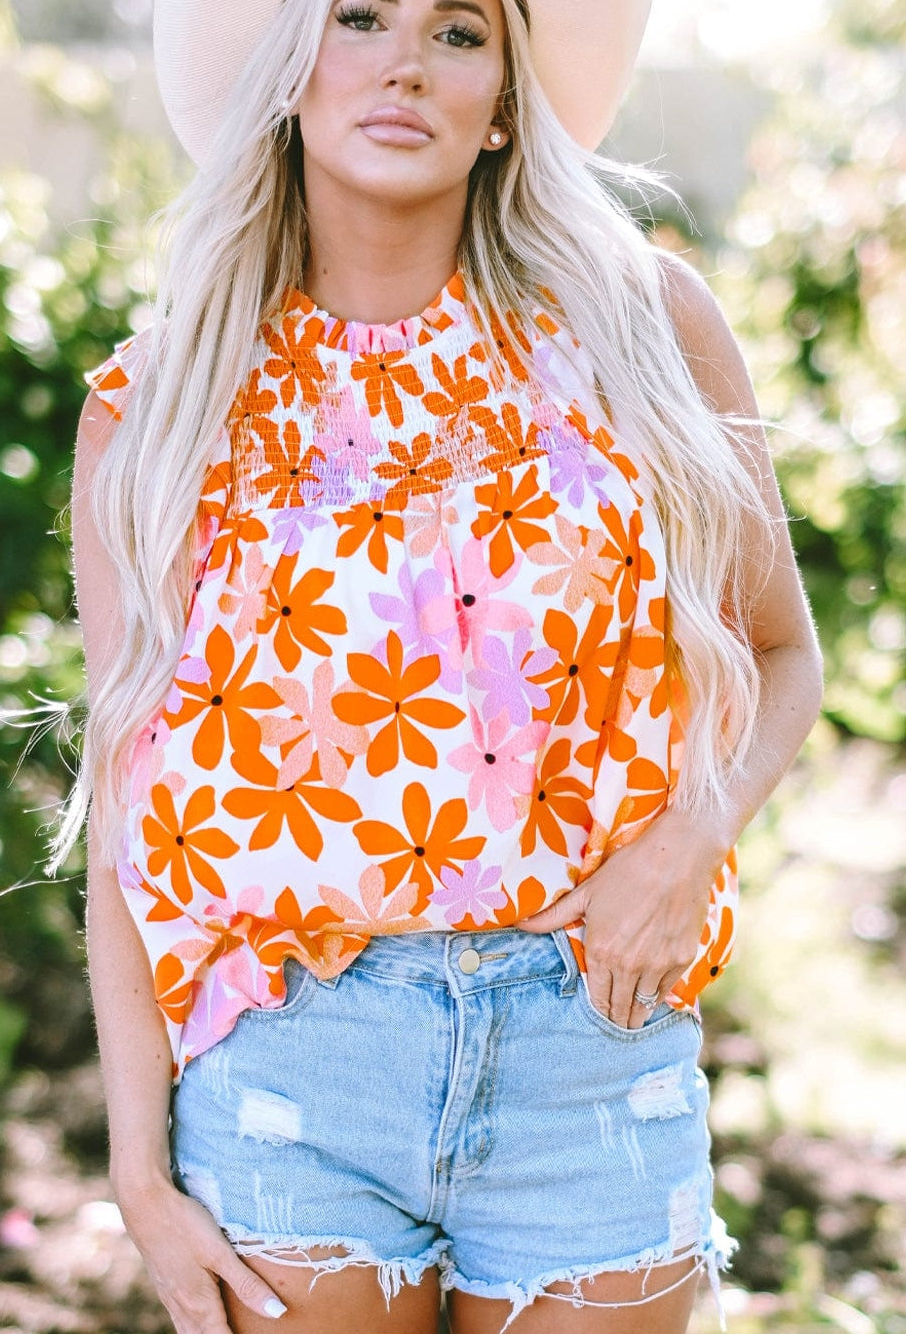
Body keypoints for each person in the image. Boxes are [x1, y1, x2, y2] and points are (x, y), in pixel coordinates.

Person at [65, 1, 824, 1330]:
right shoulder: (163, 401)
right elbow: (127, 816)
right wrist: (137, 1167)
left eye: (458, 30)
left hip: (588, 1046)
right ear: (292, 68)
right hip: (297, 1063)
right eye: (359, 16)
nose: (405, 59)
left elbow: (778, 652)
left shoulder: (640, 328)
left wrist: (686, 837)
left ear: (507, 103)